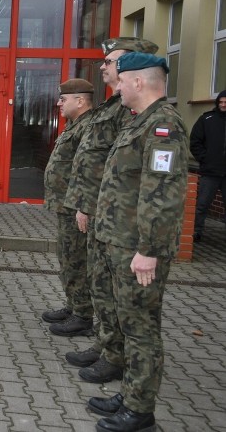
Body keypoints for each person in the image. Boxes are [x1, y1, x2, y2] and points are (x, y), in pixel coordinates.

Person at [87, 51, 188, 432]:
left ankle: (140, 411)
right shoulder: (138, 122)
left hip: (138, 249)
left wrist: (148, 251)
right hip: (119, 242)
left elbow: (162, 194)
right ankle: (130, 394)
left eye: (122, 80)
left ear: (140, 82)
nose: (118, 86)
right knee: (128, 324)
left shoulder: (163, 126)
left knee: (141, 329)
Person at [61, 37, 159, 379]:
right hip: (105, 216)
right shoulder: (116, 108)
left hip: (123, 225)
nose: (103, 66)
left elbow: (153, 187)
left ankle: (119, 366)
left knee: (127, 309)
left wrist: (149, 245)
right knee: (104, 291)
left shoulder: (148, 118)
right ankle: (107, 348)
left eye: (111, 60)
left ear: (135, 71)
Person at [41, 79, 94, 337]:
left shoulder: (90, 128)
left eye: (64, 99)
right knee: (67, 258)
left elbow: (89, 170)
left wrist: (83, 205)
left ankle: (83, 315)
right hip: (66, 206)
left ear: (80, 101)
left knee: (76, 260)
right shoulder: (74, 125)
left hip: (76, 208)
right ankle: (74, 306)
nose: (59, 103)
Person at [189, 90, 226, 243]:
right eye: (221, 102)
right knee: (202, 205)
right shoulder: (207, 119)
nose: (223, 105)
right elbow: (195, 142)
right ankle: (196, 232)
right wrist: (205, 159)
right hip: (210, 172)